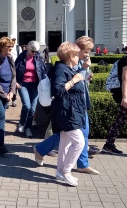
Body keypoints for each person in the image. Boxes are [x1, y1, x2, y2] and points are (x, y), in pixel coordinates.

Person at [33, 36, 100, 176]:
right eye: (86, 51)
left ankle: (79, 164)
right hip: (70, 107)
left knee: (74, 134)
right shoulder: (70, 64)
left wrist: (87, 74)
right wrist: (83, 70)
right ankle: (70, 165)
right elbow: (65, 85)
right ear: (76, 51)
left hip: (79, 103)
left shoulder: (79, 62)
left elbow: (80, 81)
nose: (87, 54)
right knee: (70, 135)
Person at [49, 42, 86, 186]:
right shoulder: (61, 69)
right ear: (71, 56)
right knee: (79, 142)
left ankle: (59, 171)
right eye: (76, 55)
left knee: (65, 142)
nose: (78, 57)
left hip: (69, 110)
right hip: (66, 111)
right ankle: (66, 171)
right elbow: (57, 91)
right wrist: (74, 80)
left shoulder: (66, 68)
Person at [15, 41, 47, 138]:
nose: (34, 53)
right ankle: (22, 123)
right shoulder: (21, 57)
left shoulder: (38, 57)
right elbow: (14, 70)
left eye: (36, 51)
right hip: (23, 84)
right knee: (27, 106)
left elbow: (43, 70)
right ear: (28, 48)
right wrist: (15, 82)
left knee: (33, 109)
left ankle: (28, 128)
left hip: (35, 85)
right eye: (32, 51)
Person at [9, 35, 21, 107]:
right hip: (8, 66)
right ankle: (7, 99)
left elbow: (20, 57)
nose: (13, 41)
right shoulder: (8, 46)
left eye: (14, 39)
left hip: (15, 67)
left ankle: (14, 99)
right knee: (7, 83)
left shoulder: (18, 48)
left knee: (14, 83)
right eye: (12, 39)